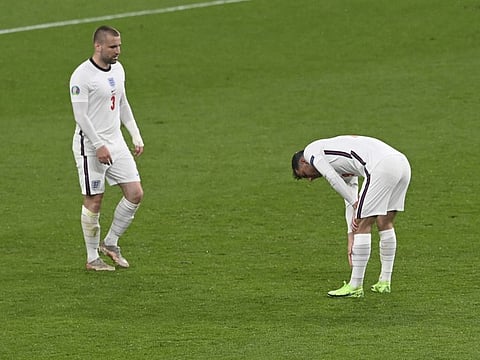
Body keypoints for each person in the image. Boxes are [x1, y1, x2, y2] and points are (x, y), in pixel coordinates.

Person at [291, 135, 411, 297]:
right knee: (385, 221)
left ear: (304, 162)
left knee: (363, 224)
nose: (310, 179)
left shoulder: (311, 151)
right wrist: (350, 236)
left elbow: (332, 178)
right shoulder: (338, 156)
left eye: (305, 175)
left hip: (381, 166)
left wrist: (356, 204)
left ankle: (355, 286)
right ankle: (384, 282)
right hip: (401, 163)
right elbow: (350, 192)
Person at [69, 25, 144, 271]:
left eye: (119, 45)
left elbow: (122, 103)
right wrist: (99, 145)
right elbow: (81, 116)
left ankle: (110, 243)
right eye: (113, 46)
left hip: (115, 142)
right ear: (98, 46)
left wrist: (135, 134)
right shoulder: (82, 75)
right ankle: (92, 258)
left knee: (135, 193)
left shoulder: (119, 69)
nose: (118, 51)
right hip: (90, 145)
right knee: (94, 199)